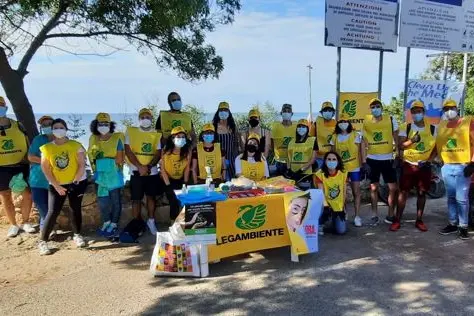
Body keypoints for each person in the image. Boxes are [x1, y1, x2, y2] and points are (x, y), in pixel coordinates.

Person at [38, 119, 87, 255]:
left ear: (66, 129)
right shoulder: (47, 148)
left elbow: (82, 164)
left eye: (61, 127)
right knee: (53, 211)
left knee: (75, 208)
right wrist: (56, 186)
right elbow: (45, 168)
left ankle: (77, 235)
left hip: (76, 182)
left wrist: (75, 181)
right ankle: (43, 241)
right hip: (56, 184)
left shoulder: (75, 145)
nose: (58, 129)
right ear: (52, 130)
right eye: (56, 127)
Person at [391, 100, 436, 232]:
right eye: (414, 111)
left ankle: (419, 220)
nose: (417, 114)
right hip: (409, 165)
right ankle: (397, 220)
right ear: (411, 113)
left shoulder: (433, 128)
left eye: (419, 111)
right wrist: (412, 140)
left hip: (424, 166)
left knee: (422, 193)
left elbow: (436, 148)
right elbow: (400, 145)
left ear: (423, 112)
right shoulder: (406, 127)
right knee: (403, 192)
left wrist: (429, 161)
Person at [436, 99, 474, 240]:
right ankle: (452, 223)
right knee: (451, 197)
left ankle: (463, 226)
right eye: (445, 109)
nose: (448, 111)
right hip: (447, 166)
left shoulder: (468, 122)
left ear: (456, 108)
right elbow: (438, 144)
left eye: (451, 108)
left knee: (461, 199)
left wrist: (472, 163)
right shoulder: (442, 126)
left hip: (463, 166)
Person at [0, 96, 34, 237]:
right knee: (6, 196)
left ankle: (26, 222)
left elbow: (28, 144)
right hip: (1, 168)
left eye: (1, 105)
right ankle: (13, 225)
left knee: (28, 194)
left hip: (21, 165)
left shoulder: (18, 125)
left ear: (5, 107)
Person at [362, 98, 399, 226]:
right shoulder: (366, 121)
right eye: (372, 107)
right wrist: (364, 160)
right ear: (370, 109)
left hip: (388, 158)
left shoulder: (390, 119)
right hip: (372, 159)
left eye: (377, 106)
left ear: (381, 108)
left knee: (393, 188)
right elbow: (362, 140)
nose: (375, 109)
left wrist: (398, 154)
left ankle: (390, 214)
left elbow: (396, 136)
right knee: (373, 187)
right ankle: (374, 215)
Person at [125, 108, 162, 235]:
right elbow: (128, 151)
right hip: (136, 172)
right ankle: (137, 223)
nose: (145, 119)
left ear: (152, 119)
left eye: (148, 117)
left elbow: (158, 153)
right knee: (136, 199)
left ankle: (151, 221)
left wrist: (149, 166)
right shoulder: (131, 131)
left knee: (151, 197)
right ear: (139, 119)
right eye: (143, 117)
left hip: (151, 172)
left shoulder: (157, 133)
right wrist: (139, 166)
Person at [88, 113, 125, 237]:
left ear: (110, 125)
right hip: (100, 176)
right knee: (103, 201)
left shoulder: (117, 138)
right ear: (96, 125)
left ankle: (114, 224)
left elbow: (119, 159)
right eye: (100, 124)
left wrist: (101, 163)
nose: (103, 126)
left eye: (106, 124)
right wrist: (101, 165)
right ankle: (106, 221)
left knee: (116, 201)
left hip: (114, 175)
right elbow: (90, 156)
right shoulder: (93, 138)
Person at [330, 115, 364, 227]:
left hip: (354, 167)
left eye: (345, 121)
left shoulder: (355, 135)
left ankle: (357, 216)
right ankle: (344, 213)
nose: (343, 123)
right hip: (341, 169)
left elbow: (360, 151)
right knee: (342, 192)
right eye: (341, 121)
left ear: (349, 123)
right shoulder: (334, 137)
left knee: (356, 192)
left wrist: (363, 164)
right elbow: (332, 154)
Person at [28, 115, 54, 232]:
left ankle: (46, 231)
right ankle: (48, 229)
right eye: (44, 125)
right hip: (37, 179)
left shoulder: (61, 140)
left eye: (49, 124)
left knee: (51, 207)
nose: (47, 127)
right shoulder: (38, 139)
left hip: (54, 180)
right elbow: (30, 157)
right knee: (41, 205)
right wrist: (46, 162)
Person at [160, 126, 192, 221]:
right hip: (168, 180)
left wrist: (185, 182)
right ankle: (173, 223)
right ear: (172, 138)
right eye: (178, 137)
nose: (181, 139)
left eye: (183, 137)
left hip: (181, 179)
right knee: (173, 202)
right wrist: (168, 185)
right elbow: (163, 170)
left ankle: (184, 222)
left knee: (183, 201)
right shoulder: (166, 151)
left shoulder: (187, 151)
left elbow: (187, 168)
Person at [314, 151, 347, 235]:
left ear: (338, 161)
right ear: (325, 161)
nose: (331, 161)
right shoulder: (319, 174)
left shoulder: (343, 174)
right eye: (329, 159)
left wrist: (343, 207)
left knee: (341, 231)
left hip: (337, 204)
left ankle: (334, 219)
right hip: (325, 203)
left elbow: (344, 192)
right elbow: (321, 193)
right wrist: (326, 206)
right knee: (321, 208)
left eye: (334, 159)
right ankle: (320, 223)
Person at [212, 102, 241, 180]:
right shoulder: (213, 126)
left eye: (225, 110)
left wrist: (236, 158)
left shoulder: (233, 127)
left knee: (233, 181)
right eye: (221, 110)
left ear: (229, 112)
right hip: (218, 159)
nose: (223, 112)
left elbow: (236, 143)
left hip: (231, 158)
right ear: (218, 112)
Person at [286, 119, 317, 185]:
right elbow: (288, 157)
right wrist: (289, 170)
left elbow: (313, 159)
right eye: (299, 126)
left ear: (307, 129)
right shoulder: (291, 141)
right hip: (293, 173)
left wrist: (301, 170)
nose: (301, 129)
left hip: (306, 173)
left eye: (303, 127)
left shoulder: (312, 140)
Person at [271, 104, 296, 175]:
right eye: (284, 111)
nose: (286, 113)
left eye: (288, 111)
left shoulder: (296, 126)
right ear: (281, 113)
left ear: (292, 114)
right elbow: (272, 142)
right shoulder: (276, 126)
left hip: (292, 161)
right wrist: (274, 154)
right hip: (279, 161)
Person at [310, 101, 337, 168]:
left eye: (329, 110)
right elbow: (310, 141)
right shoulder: (315, 125)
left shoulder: (337, 124)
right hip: (319, 158)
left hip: (333, 157)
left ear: (333, 112)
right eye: (325, 110)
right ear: (322, 113)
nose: (327, 112)